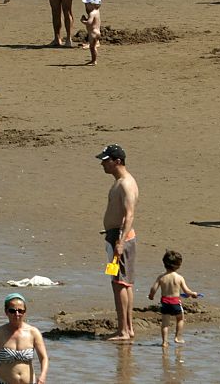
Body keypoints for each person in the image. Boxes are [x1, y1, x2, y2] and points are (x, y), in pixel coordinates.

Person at [96, 144, 139, 342]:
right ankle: (127, 329)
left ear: (117, 161)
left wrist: (120, 242)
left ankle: (123, 331)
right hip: (114, 237)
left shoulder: (126, 184)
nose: (103, 164)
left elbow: (130, 215)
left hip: (120, 239)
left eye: (106, 160)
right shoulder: (119, 182)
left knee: (119, 283)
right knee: (122, 283)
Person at [0, 295, 47, 384]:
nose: (17, 314)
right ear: (6, 312)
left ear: (25, 312)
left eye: (20, 311)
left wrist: (42, 376)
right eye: (12, 311)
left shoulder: (33, 332)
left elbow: (43, 358)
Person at [147, 250, 200, 347]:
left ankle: (164, 342)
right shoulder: (179, 278)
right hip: (175, 302)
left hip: (165, 302)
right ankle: (177, 337)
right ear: (179, 265)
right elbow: (186, 291)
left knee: (165, 323)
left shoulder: (161, 277)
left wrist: (151, 295)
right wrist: (193, 294)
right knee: (180, 319)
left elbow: (153, 288)